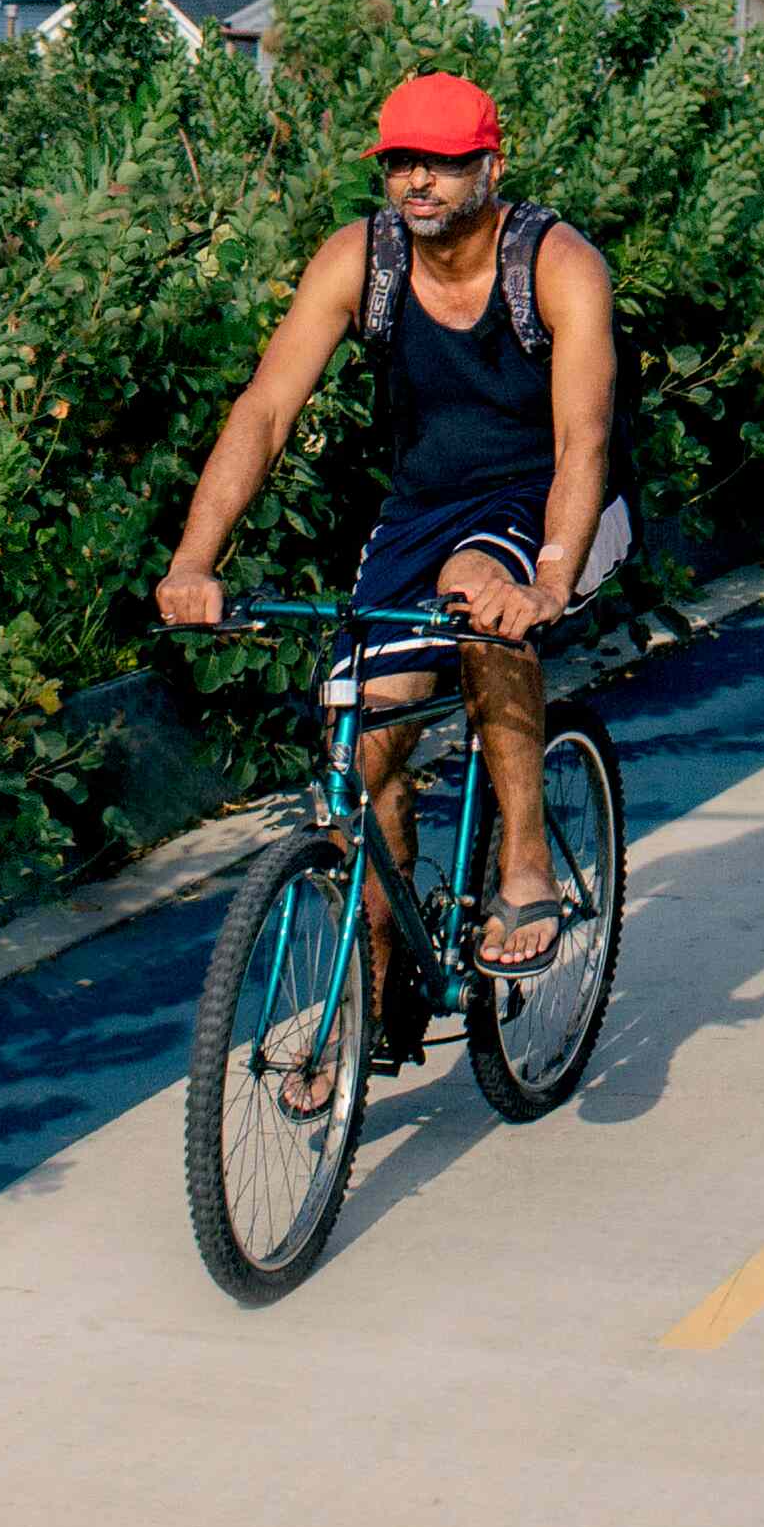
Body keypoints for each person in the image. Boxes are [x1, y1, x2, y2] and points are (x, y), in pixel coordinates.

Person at [156, 71, 626, 1041]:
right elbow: (265, 408)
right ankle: (375, 1000)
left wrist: (545, 577)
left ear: (490, 166)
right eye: (402, 161)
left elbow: (583, 436)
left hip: (550, 501)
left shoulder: (556, 264)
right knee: (361, 747)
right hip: (421, 509)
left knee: (475, 594)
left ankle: (527, 865)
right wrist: (193, 560)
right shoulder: (357, 262)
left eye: (442, 163)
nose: (418, 180)